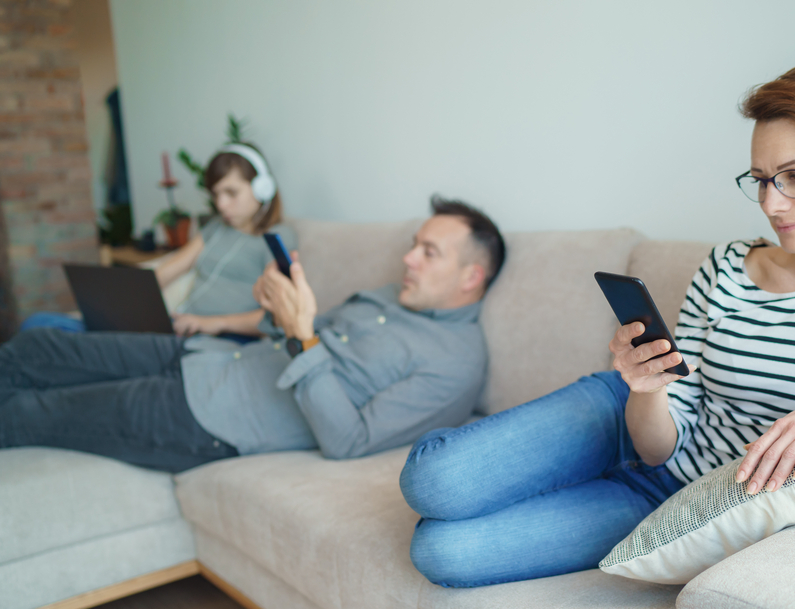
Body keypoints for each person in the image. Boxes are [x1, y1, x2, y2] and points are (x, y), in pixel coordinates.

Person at [399, 63, 795, 588]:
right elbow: (662, 442)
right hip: (629, 426)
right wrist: (645, 392)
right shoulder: (726, 263)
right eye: (761, 179)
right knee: (433, 482)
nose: (772, 205)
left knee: (443, 554)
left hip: (682, 503)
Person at [0, 196, 505, 473]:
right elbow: (292, 334)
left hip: (208, 420)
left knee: (29, 412)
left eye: (428, 253)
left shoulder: (454, 364)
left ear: (470, 277)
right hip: (202, 356)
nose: (408, 258)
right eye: (414, 245)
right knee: (36, 347)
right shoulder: (387, 296)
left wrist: (300, 332)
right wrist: (273, 308)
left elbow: (348, 442)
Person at [156, 142, 298, 339]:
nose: (221, 205)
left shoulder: (277, 237)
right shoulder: (216, 227)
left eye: (231, 193)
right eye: (216, 194)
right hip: (184, 329)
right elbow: (166, 272)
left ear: (262, 188)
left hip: (227, 340)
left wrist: (210, 324)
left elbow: (280, 315)